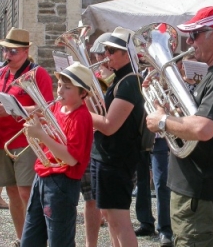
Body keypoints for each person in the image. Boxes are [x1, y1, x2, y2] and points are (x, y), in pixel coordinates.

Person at [146, 6, 213, 246]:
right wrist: (170, 112)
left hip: (201, 190)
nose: (190, 42)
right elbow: (198, 119)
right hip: (195, 188)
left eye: (195, 35)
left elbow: (204, 129)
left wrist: (162, 121)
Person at [20, 62, 94, 247]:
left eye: (67, 88)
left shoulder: (81, 117)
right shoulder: (56, 108)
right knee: (30, 238)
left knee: (59, 241)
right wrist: (35, 131)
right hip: (42, 176)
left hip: (63, 182)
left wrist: (41, 136)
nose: (60, 90)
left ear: (83, 93)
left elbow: (70, 158)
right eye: (60, 85)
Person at [90, 26, 144, 247]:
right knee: (110, 216)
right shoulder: (119, 78)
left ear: (127, 54)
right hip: (106, 156)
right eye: (107, 50)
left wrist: (78, 110)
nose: (106, 55)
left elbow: (110, 125)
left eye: (112, 51)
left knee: (119, 220)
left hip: (116, 159)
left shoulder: (129, 81)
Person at [0, 27, 53, 247]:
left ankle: (36, 240)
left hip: (25, 140)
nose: (7, 56)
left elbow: (48, 107)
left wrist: (14, 109)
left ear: (25, 51)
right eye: (5, 51)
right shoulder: (2, 72)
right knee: (12, 191)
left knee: (26, 193)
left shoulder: (37, 73)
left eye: (13, 52)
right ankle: (23, 239)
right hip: (3, 141)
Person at [80, 32, 114, 247]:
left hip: (109, 145)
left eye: (100, 55)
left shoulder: (119, 80)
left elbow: (109, 116)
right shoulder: (91, 77)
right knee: (90, 199)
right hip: (88, 141)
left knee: (113, 205)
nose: (96, 60)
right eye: (95, 56)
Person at [134, 137, 173, 247]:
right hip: (141, 134)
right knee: (141, 180)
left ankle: (165, 229)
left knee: (161, 181)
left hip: (160, 135)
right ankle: (146, 223)